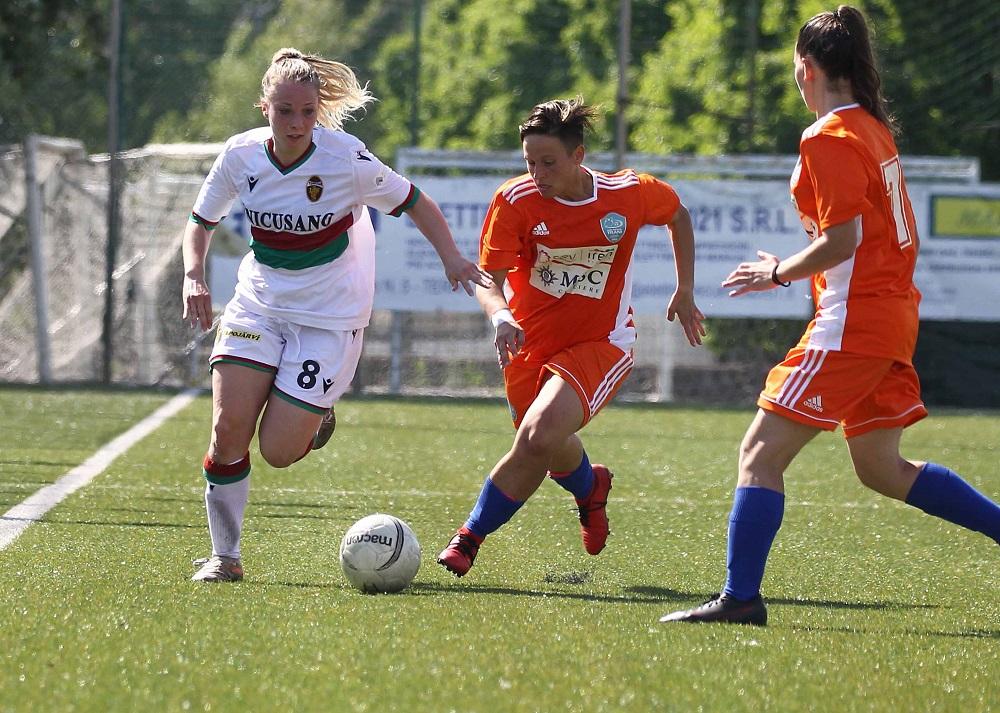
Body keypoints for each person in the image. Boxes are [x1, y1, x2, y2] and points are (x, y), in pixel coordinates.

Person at [660, 5, 1000, 626]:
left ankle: (740, 599)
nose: (795, 76)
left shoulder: (829, 136)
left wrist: (778, 272)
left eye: (796, 65)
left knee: (760, 453)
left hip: (855, 322)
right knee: (881, 469)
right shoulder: (871, 127)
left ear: (808, 66)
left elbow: (842, 240)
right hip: (890, 317)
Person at [182, 48, 491, 583]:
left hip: (329, 318)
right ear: (264, 108)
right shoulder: (240, 156)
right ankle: (225, 557)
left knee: (278, 452)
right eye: (285, 111)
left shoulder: (346, 158)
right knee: (227, 430)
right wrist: (193, 275)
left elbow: (415, 200)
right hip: (258, 303)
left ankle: (314, 416)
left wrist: (453, 258)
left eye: (307, 111)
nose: (297, 123)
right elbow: (200, 221)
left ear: (319, 109)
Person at [436, 98, 706, 577]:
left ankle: (468, 538)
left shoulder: (627, 194)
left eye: (548, 163)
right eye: (529, 163)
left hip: (602, 343)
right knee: (544, 443)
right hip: (529, 344)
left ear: (578, 156)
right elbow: (487, 278)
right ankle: (589, 487)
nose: (537, 173)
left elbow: (678, 215)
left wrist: (684, 289)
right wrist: (499, 315)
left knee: (538, 434)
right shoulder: (514, 201)